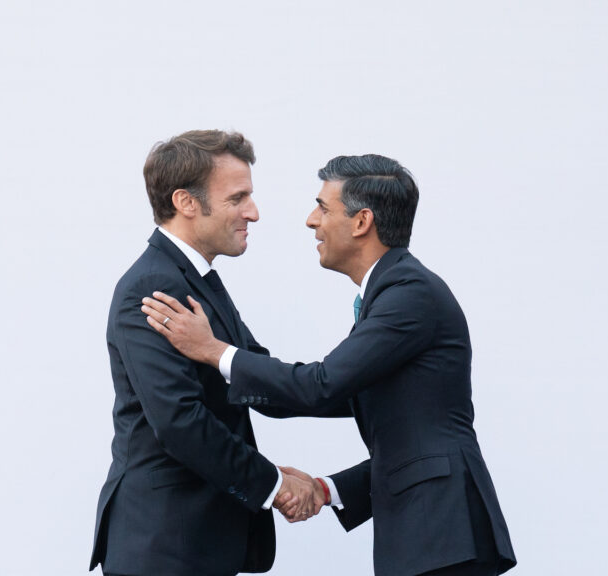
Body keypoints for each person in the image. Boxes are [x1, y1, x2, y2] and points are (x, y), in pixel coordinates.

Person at [142, 154, 517, 576]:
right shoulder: (393, 292)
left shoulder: (409, 294)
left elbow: (321, 385)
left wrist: (213, 351)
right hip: (433, 534)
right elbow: (390, 420)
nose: (310, 220)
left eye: (323, 208)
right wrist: (326, 490)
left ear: (361, 223)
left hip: (442, 533)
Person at [90, 130, 317, 576]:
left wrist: (359, 382)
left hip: (196, 544)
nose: (253, 212)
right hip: (165, 545)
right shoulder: (153, 286)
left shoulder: (196, 278)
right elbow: (180, 422)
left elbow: (256, 376)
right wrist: (274, 483)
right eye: (238, 197)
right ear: (186, 202)